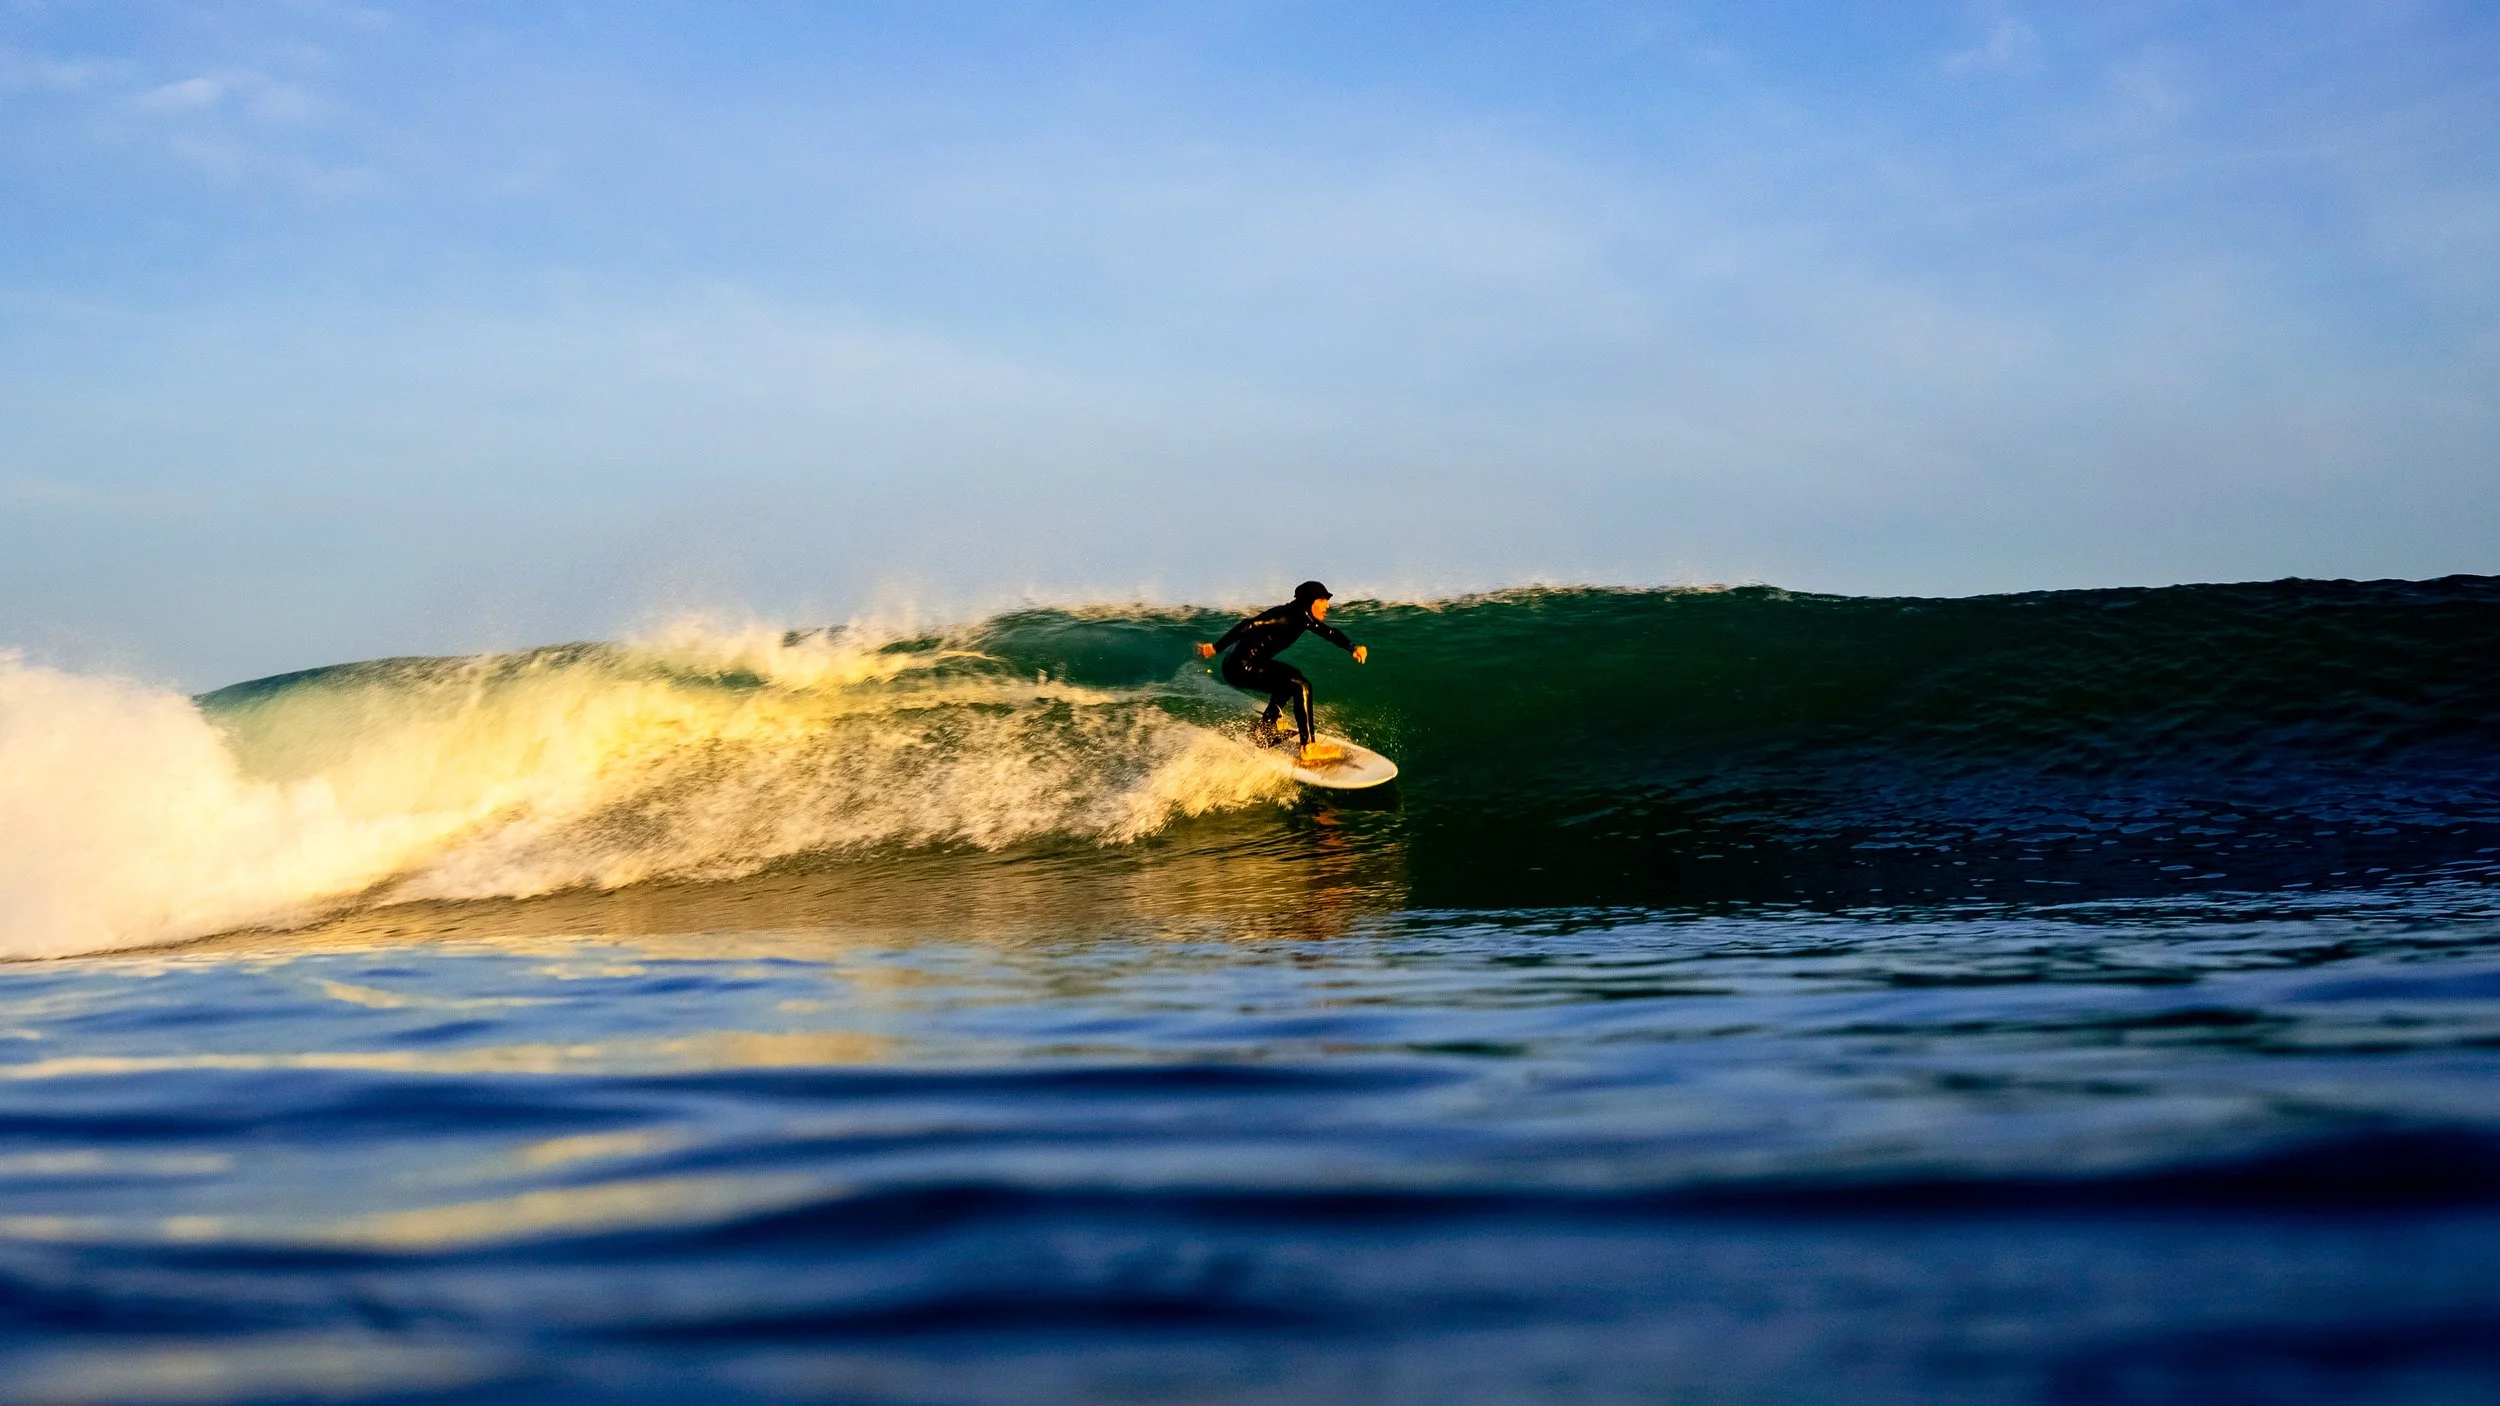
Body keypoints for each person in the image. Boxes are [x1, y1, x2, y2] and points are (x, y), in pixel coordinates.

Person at [1197, 581, 1369, 762]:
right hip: (1240, 667)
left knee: (1292, 676)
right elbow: (1248, 624)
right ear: (1308, 601)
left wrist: (1352, 647)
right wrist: (1216, 647)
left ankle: (1266, 726)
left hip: (1247, 663)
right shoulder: (1287, 615)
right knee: (1301, 685)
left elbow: (1330, 633)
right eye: (1321, 600)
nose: (1327, 605)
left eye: (1326, 600)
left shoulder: (1303, 617)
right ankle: (1308, 748)